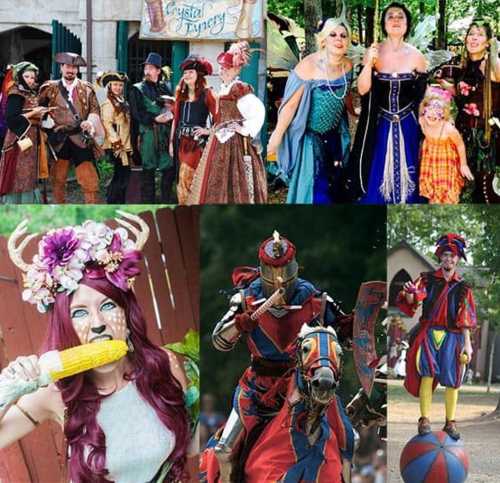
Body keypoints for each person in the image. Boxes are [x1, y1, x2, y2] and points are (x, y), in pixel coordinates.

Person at [1, 212, 191, 482]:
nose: (98, 323)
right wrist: (6, 390)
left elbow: (191, 445)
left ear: (126, 316)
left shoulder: (164, 364)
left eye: (107, 305)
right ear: (66, 327)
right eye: (79, 313)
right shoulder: (56, 391)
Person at [208, 231, 354, 480]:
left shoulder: (315, 300)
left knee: (349, 437)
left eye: (284, 272)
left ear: (294, 268)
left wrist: (350, 327)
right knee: (225, 449)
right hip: (258, 386)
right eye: (273, 273)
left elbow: (345, 338)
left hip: (305, 384)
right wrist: (239, 325)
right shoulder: (245, 299)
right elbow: (218, 341)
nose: (279, 281)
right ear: (262, 269)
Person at [397, 234, 477, 439]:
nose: (448, 259)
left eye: (452, 256)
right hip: (430, 333)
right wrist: (408, 293)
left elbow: (465, 317)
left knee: (453, 380)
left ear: (457, 259)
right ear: (440, 257)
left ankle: (450, 422)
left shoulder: (463, 287)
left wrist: (467, 345)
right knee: (427, 373)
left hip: (454, 336)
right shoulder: (427, 279)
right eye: (445, 255)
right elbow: (414, 297)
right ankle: (424, 419)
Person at [267, 15, 354, 204]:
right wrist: (277, 136)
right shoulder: (308, 66)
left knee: (337, 183)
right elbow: (290, 106)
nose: (339, 39)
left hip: (335, 136)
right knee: (314, 188)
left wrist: (353, 111)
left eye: (343, 35)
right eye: (333, 35)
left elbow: (345, 93)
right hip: (310, 138)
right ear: (323, 40)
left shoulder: (348, 65)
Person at [350, 2, 428, 204]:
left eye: (400, 16)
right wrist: (368, 63)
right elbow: (362, 89)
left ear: (407, 23)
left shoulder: (417, 57)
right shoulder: (374, 52)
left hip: (408, 123)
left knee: (411, 168)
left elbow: (422, 98)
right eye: (390, 16)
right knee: (377, 170)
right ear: (383, 24)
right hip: (380, 124)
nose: (395, 20)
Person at [187, 42, 267, 204]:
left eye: (226, 68)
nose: (222, 70)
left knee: (234, 181)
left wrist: (244, 129)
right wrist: (210, 131)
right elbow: (222, 119)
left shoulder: (238, 89)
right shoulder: (225, 88)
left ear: (236, 70)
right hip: (220, 142)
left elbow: (259, 110)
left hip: (234, 145)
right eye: (221, 67)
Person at [38, 52, 103, 204]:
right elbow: (38, 110)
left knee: (89, 181)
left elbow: (95, 110)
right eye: (67, 66)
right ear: (61, 67)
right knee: (57, 179)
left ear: (78, 70)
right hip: (58, 139)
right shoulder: (49, 88)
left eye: (74, 67)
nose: (71, 70)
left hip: (80, 138)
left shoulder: (87, 89)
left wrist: (90, 123)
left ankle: (91, 211)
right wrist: (47, 121)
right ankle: (61, 210)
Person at [451, 19, 500, 203]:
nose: (474, 38)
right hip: (462, 135)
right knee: (463, 188)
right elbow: (464, 96)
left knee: (485, 191)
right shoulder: (463, 66)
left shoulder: (490, 65)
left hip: (484, 138)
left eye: (480, 35)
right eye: (471, 34)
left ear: (488, 42)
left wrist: (494, 50)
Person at [169, 55, 216, 205]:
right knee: (181, 179)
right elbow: (175, 120)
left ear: (198, 75)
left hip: (196, 145)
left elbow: (219, 117)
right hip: (180, 142)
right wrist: (171, 142)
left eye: (191, 72)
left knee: (188, 177)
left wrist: (208, 131)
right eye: (185, 73)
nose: (187, 75)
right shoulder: (180, 95)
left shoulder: (207, 94)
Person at [0, 62, 50, 203]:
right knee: (19, 173)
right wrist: (34, 112)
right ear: (19, 76)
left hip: (32, 137)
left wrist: (41, 113)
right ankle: (16, 204)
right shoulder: (16, 93)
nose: (30, 80)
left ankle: (29, 203)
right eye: (26, 76)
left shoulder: (30, 92)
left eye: (32, 77)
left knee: (30, 173)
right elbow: (11, 118)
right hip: (18, 139)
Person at [129, 52, 175, 203]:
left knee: (168, 170)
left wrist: (170, 113)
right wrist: (154, 118)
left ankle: (166, 202)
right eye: (146, 68)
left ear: (158, 71)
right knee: (148, 172)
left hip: (165, 135)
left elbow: (173, 108)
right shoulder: (137, 89)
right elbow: (137, 113)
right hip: (148, 134)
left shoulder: (165, 88)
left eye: (151, 68)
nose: (147, 71)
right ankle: (148, 203)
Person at [418, 87, 474, 203]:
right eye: (429, 113)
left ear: (443, 114)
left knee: (448, 192)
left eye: (437, 114)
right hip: (430, 159)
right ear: (424, 110)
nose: (432, 117)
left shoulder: (448, 129)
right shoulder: (422, 121)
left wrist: (463, 165)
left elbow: (460, 145)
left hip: (446, 160)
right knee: (433, 193)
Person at [98, 71, 133, 204]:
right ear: (110, 86)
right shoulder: (108, 104)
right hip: (116, 146)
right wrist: (116, 142)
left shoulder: (122, 101)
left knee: (124, 176)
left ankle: (120, 202)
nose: (118, 87)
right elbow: (107, 124)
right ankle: (112, 202)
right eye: (115, 85)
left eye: (120, 85)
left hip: (126, 143)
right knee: (119, 176)